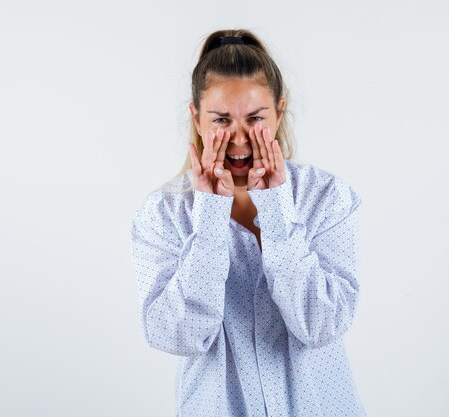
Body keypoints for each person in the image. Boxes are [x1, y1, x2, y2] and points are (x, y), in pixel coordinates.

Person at [131, 29, 366, 417]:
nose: (239, 139)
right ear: (196, 116)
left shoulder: (327, 197)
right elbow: (176, 336)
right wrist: (208, 218)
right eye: (221, 119)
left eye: (255, 118)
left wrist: (276, 211)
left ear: (279, 112)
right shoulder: (161, 214)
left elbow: (321, 326)